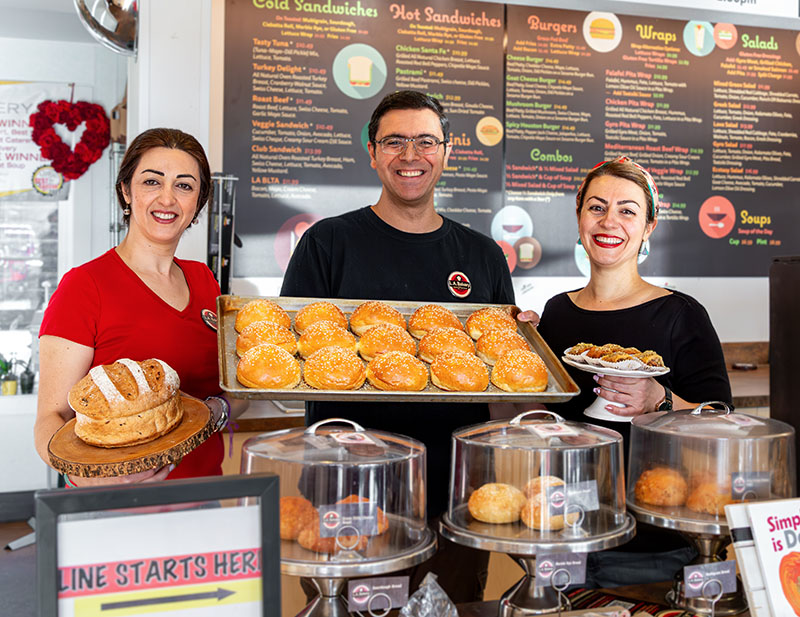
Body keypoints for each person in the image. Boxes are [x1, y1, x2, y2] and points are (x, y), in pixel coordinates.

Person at [280, 90, 517, 602]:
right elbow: (293, 355)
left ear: (448, 151)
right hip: (346, 492)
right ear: (372, 152)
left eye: (426, 141)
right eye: (394, 141)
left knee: (452, 608)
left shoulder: (482, 256)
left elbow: (496, 363)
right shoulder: (327, 244)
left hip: (452, 491)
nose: (411, 156)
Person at [537, 156, 732, 587]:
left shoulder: (680, 314)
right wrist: (522, 346)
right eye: (597, 207)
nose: (610, 222)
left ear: (648, 228)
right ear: (579, 216)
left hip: (653, 545)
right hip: (567, 533)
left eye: (628, 211)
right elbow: (546, 414)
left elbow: (722, 421)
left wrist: (659, 400)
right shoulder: (557, 311)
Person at [34, 128, 246, 486]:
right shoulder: (84, 286)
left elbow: (235, 393)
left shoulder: (204, 280)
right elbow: (49, 419)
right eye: (152, 182)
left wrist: (217, 410)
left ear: (198, 201)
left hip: (203, 493)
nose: (167, 199)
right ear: (126, 191)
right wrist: (94, 480)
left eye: (184, 185)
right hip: (117, 507)